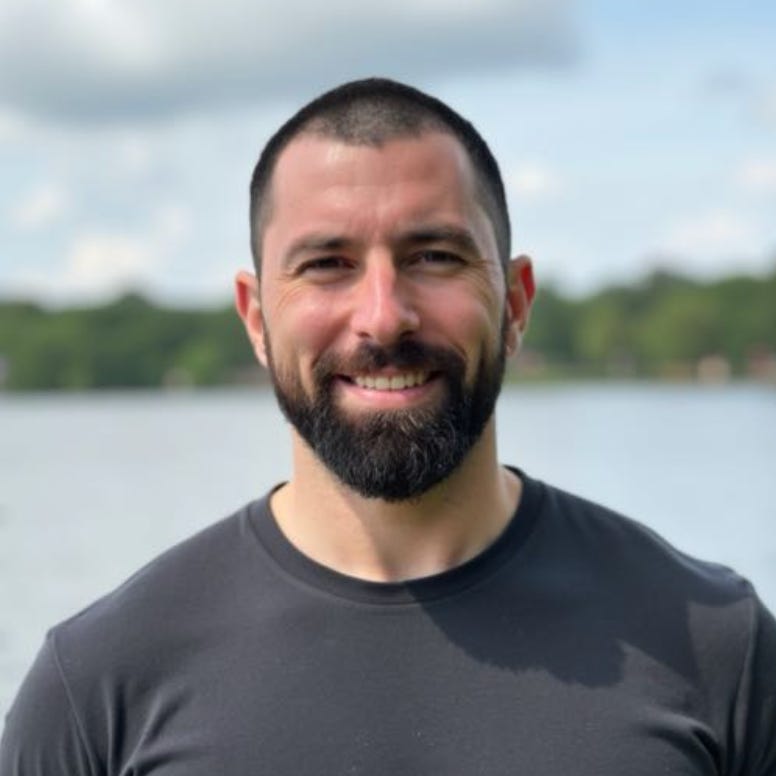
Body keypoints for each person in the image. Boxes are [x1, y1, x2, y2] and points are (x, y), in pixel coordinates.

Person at [2, 78, 774, 775]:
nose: (383, 316)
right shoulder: (100, 685)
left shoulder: (716, 645)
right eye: (326, 264)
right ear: (257, 318)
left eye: (433, 256)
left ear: (514, 304)